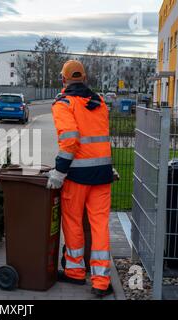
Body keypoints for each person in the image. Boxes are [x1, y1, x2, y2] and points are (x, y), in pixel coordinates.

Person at [46, 60, 114, 297]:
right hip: (102, 175)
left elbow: (71, 140)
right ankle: (101, 282)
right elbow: (101, 137)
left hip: (76, 176)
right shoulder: (100, 102)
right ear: (84, 79)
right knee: (99, 226)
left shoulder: (63, 104)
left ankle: (75, 273)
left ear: (63, 80)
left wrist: (59, 171)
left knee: (73, 222)